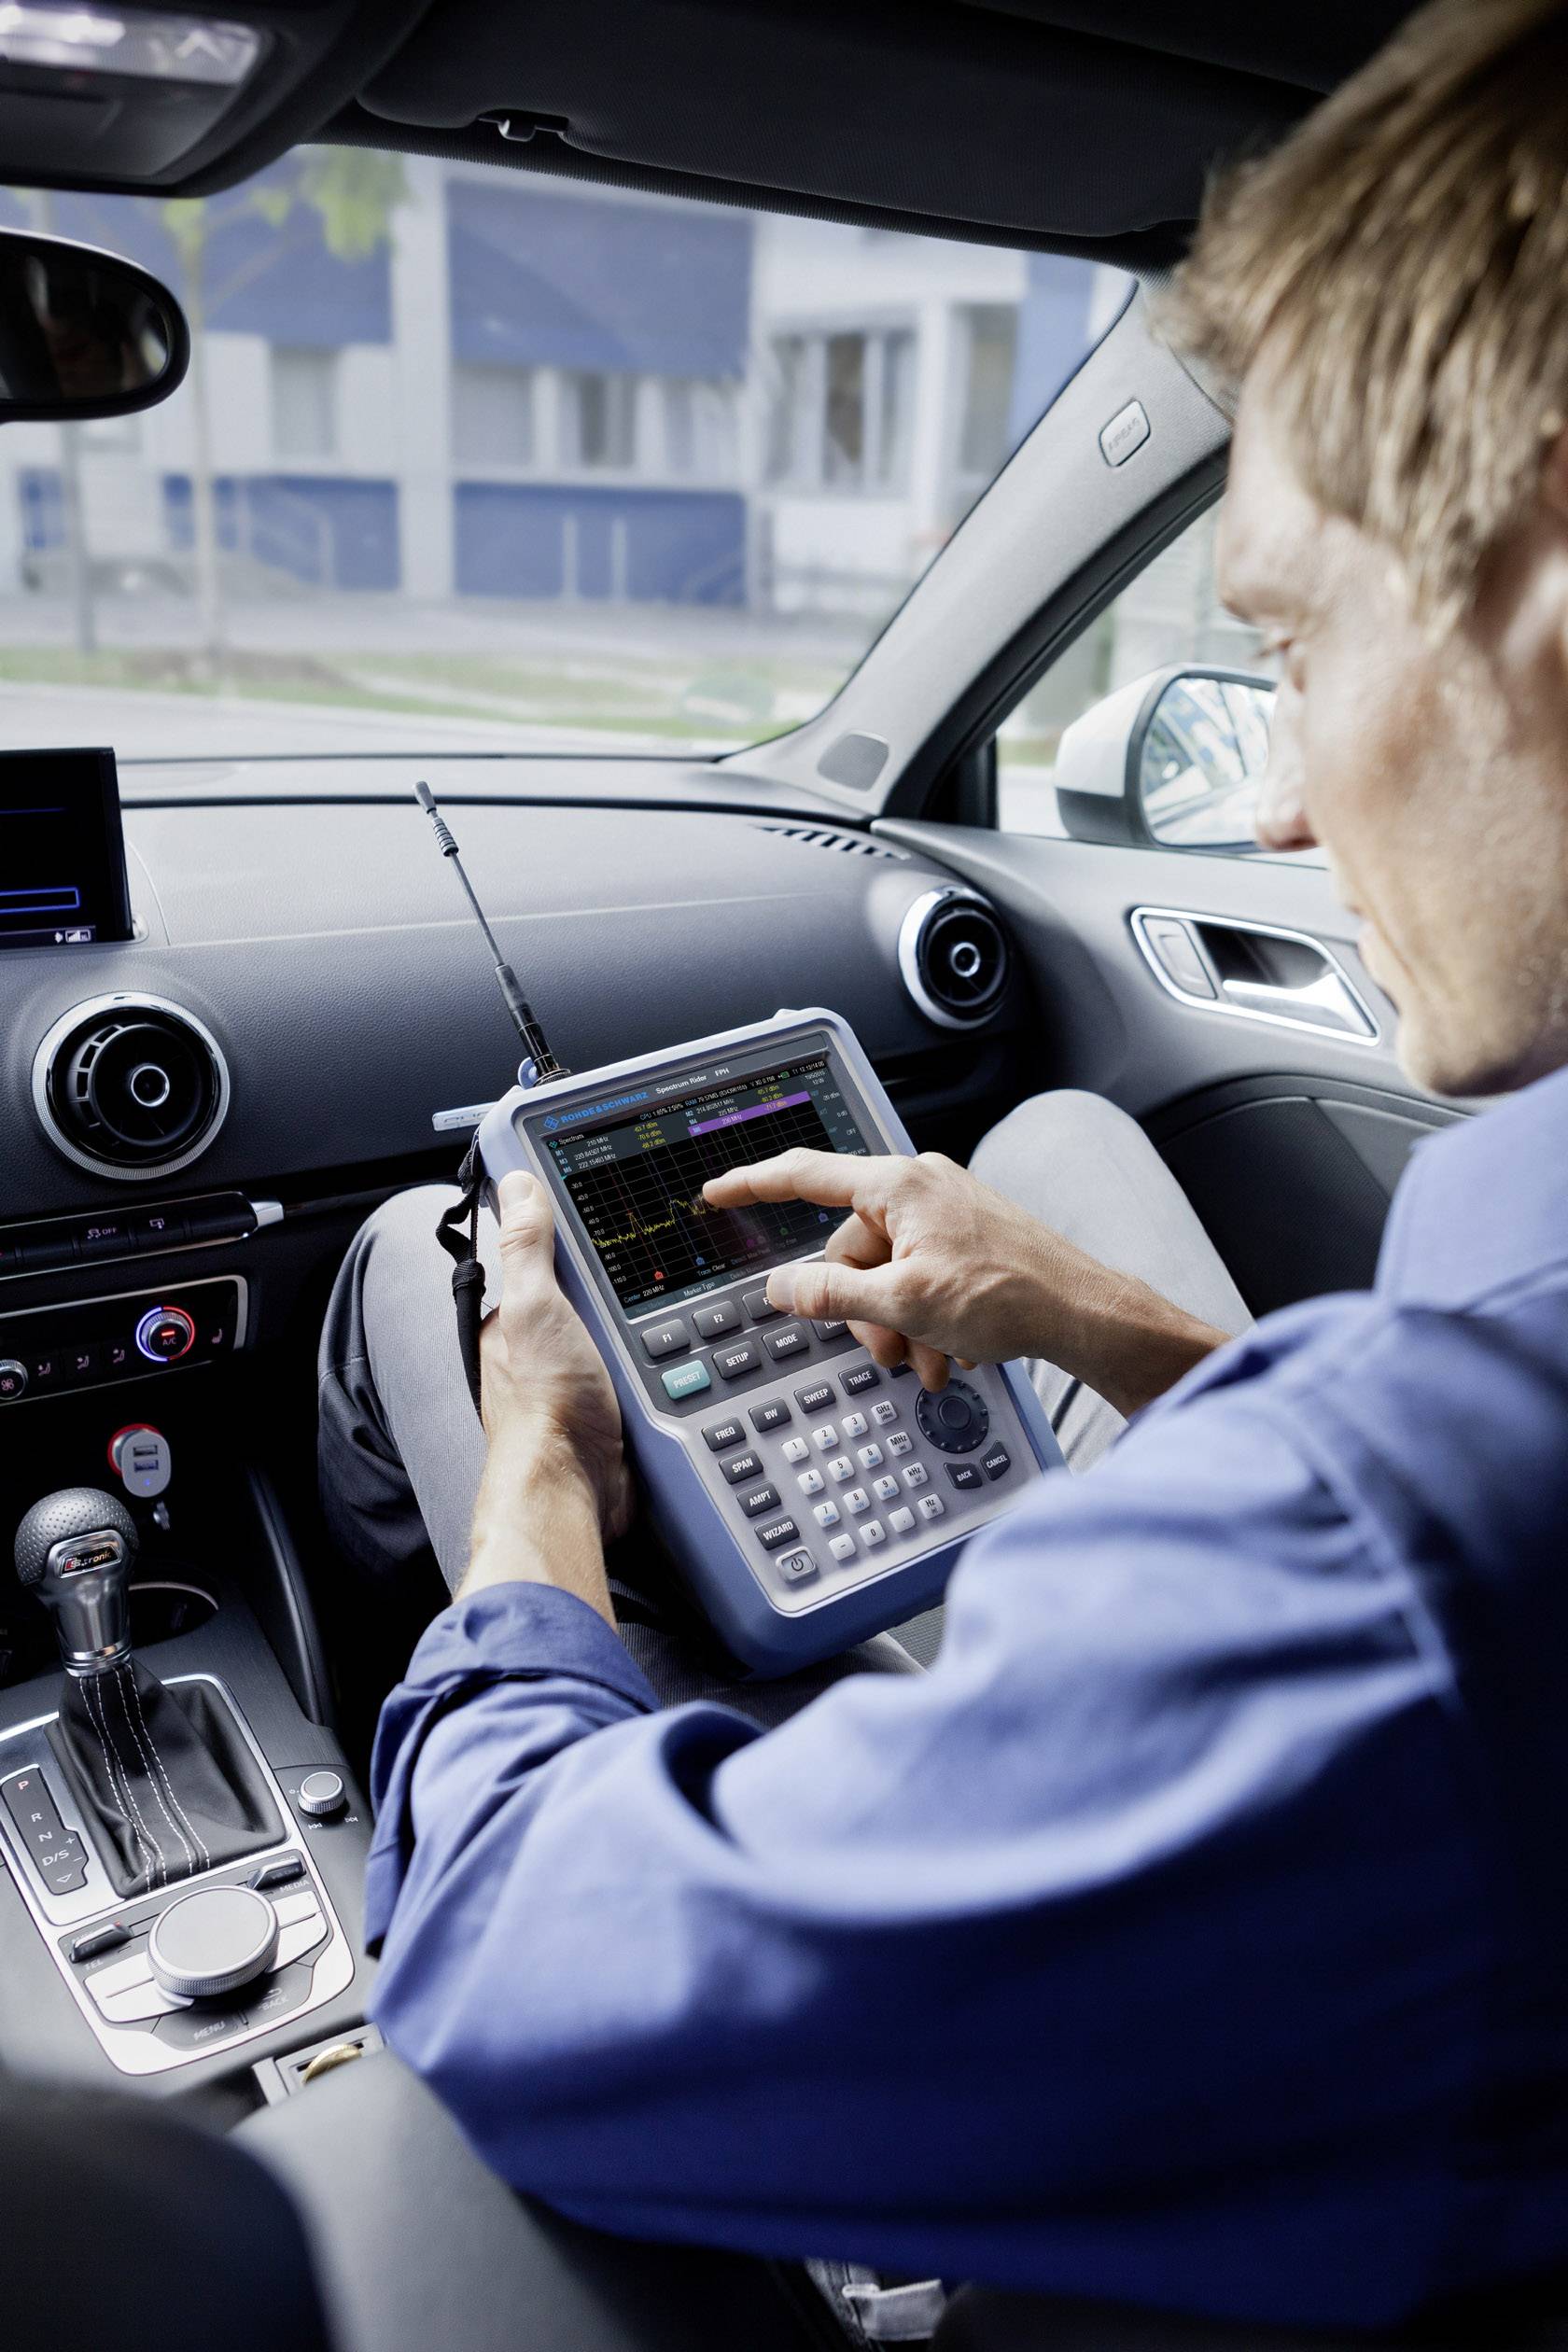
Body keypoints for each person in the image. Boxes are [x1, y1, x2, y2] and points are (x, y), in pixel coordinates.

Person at [318, 0, 1568, 2331]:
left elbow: (524, 1965)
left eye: (1287, 640)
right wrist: (1097, 1316)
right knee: (1075, 1148)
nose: (1276, 800)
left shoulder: (1389, 1566)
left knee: (435, 1285)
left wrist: (540, 1502)